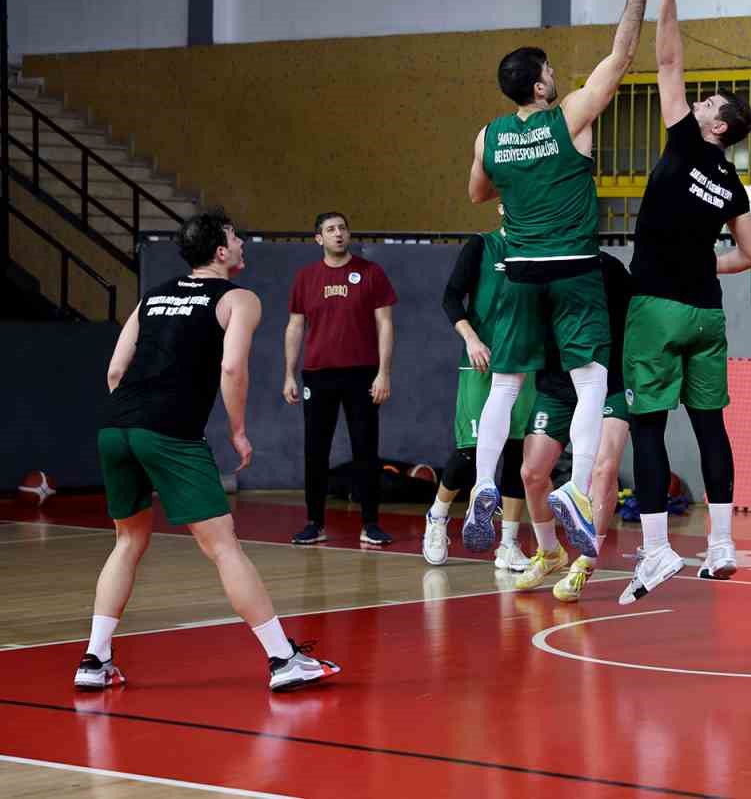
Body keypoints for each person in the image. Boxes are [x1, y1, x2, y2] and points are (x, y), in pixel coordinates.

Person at [461, 0, 678, 554]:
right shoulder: (571, 118)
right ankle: (578, 491)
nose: (556, 75)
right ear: (540, 84)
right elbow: (622, 55)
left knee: (506, 386)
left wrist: (517, 180)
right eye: (550, 70)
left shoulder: (488, 136)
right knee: (590, 383)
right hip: (574, 268)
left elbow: (478, 193)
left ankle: (482, 484)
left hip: (518, 269)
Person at [77, 208, 340, 692]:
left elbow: (115, 370)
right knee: (223, 546)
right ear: (221, 251)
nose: (242, 243)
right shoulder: (239, 299)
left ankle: (94, 661)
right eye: (235, 237)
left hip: (116, 426)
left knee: (127, 542)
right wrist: (237, 431)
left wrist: (135, 417)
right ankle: (284, 659)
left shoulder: (153, 297)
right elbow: (232, 368)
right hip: (169, 431)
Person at [617, 0, 751, 605]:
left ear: (716, 126)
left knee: (648, 427)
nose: (697, 101)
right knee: (709, 427)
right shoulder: (732, 183)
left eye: (707, 103)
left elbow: (668, 61)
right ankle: (722, 544)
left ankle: (655, 550)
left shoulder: (684, 143)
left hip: (656, 307)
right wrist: (709, 264)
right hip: (706, 313)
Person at [424, 217, 541, 572]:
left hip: (523, 361)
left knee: (518, 452)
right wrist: (471, 339)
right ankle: (437, 517)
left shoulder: (539, 249)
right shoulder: (482, 245)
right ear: (504, 206)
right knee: (471, 450)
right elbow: (450, 297)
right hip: (482, 360)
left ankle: (508, 544)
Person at [517, 251, 633, 601]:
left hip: (609, 381)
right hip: (557, 385)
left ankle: (586, 560)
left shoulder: (609, 268)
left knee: (604, 470)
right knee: (532, 473)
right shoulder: (539, 267)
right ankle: (550, 552)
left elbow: (637, 317)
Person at [283, 211, 398, 547]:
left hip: (362, 374)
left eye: (342, 228)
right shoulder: (306, 277)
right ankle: (314, 523)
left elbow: (385, 325)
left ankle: (370, 524)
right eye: (330, 229)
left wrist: (383, 373)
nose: (338, 234)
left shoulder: (371, 273)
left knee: (366, 449)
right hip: (318, 375)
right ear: (318, 238)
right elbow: (295, 327)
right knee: (315, 450)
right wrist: (289, 374)